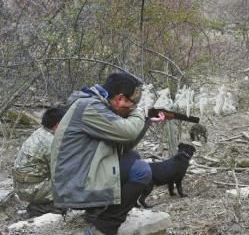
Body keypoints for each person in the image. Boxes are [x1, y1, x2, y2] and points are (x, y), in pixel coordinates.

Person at [50, 72, 166, 235]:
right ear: (120, 98)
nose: (132, 106)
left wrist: (145, 123)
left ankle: (97, 212)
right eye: (132, 102)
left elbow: (125, 143)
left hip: (80, 176)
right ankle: (103, 228)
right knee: (141, 171)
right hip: (74, 185)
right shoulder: (89, 107)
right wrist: (139, 112)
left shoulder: (98, 105)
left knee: (133, 157)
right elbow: (128, 132)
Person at [13, 107, 66, 217]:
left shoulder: (41, 132)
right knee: (71, 186)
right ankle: (42, 208)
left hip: (23, 186)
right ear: (57, 124)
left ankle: (42, 204)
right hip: (32, 189)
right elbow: (61, 174)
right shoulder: (52, 142)